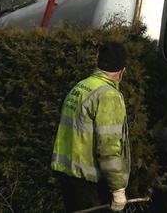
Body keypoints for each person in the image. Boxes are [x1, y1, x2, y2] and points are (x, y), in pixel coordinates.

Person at [52, 42, 131, 212]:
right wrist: (118, 189)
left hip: (68, 175)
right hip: (90, 182)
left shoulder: (81, 87)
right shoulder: (109, 96)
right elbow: (108, 148)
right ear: (121, 72)